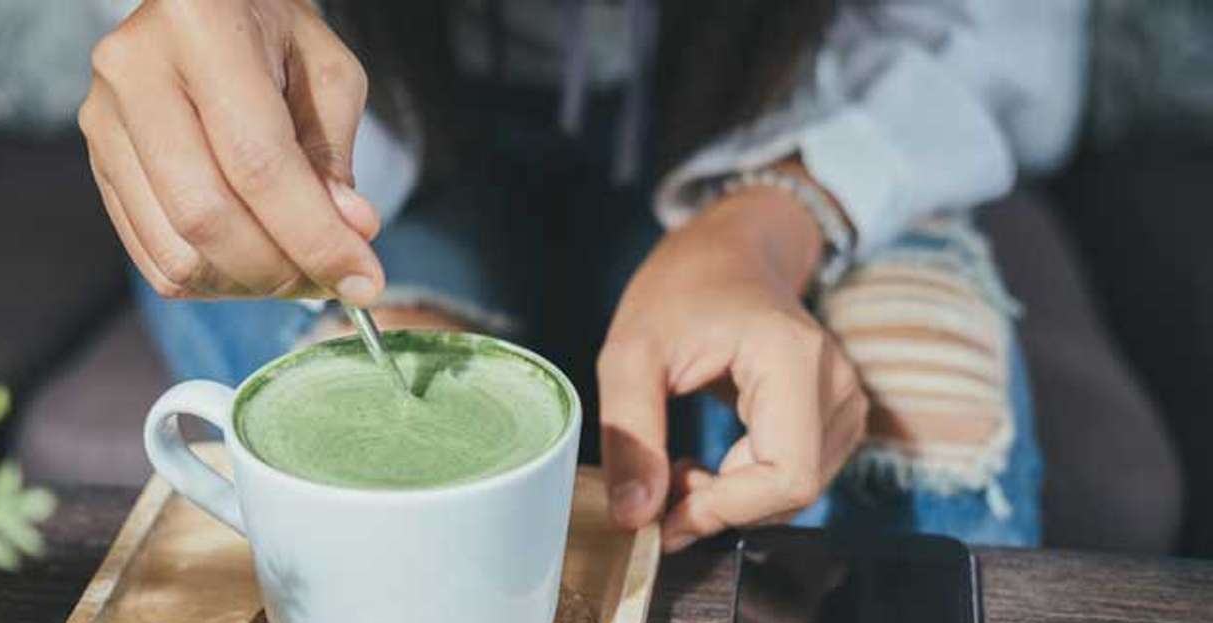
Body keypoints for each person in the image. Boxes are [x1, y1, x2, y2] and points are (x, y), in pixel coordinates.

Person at [76, 0, 1088, 552]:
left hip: (785, 104)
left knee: (895, 450)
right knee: (374, 482)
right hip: (387, 133)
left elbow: (987, 34)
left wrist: (769, 225)